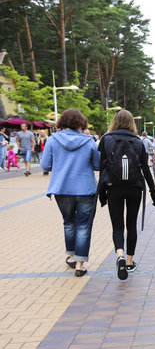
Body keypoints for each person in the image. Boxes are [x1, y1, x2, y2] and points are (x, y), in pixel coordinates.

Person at [98, 110, 155, 280]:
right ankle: (130, 262)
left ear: (115, 121)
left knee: (117, 226)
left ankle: (120, 256)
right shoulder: (138, 142)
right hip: (134, 187)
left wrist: (102, 190)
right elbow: (145, 169)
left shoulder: (106, 139)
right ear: (132, 123)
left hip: (114, 188)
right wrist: (153, 193)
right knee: (131, 224)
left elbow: (101, 165)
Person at [40, 108, 100, 277]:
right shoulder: (89, 142)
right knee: (83, 226)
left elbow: (45, 165)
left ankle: (71, 256)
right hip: (86, 189)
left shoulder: (53, 140)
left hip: (62, 188)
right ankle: (80, 265)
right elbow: (98, 165)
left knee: (68, 223)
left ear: (62, 122)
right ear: (81, 123)